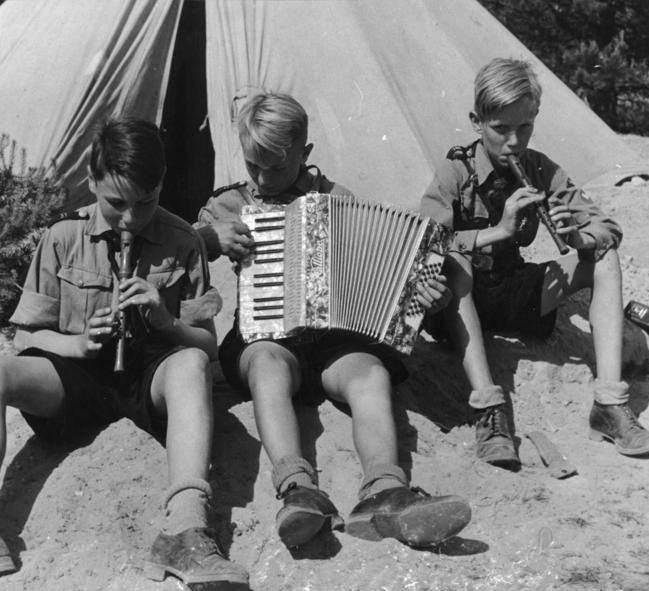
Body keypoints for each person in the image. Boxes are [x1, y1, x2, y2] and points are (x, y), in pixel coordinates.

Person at [0, 117, 248, 591]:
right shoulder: (62, 236)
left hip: (152, 378)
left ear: (161, 187)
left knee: (191, 364)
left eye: (147, 203)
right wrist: (75, 343)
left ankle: (186, 529)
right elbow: (26, 338)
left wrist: (166, 321)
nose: (132, 219)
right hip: (75, 381)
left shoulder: (182, 240)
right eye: (116, 203)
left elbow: (204, 345)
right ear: (92, 182)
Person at [195, 91, 472, 549]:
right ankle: (297, 490)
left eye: (277, 167)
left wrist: (424, 297)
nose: (262, 179)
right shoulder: (228, 205)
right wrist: (208, 236)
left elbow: (383, 280)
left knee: (371, 372)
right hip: (265, 340)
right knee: (266, 366)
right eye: (252, 165)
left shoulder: (337, 200)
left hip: (333, 344)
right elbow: (172, 250)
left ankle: (386, 491)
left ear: (305, 154)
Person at [418, 58, 649, 470]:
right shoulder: (455, 171)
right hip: (461, 307)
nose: (514, 142)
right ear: (477, 122)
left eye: (525, 128)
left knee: (603, 258)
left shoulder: (539, 169)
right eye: (500, 129)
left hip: (515, 295)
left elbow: (607, 227)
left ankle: (608, 405)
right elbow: (426, 242)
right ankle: (489, 410)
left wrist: (579, 237)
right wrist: (498, 230)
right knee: (456, 260)